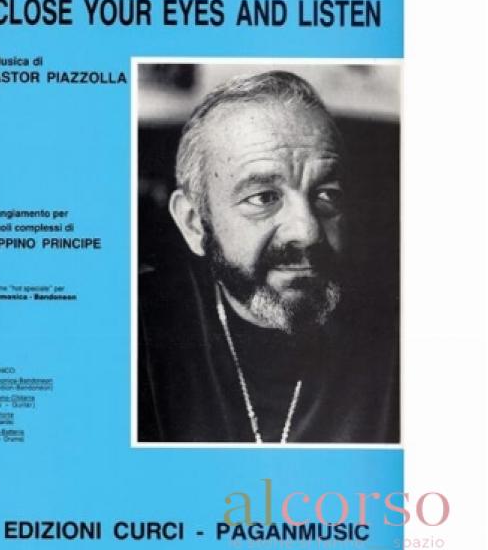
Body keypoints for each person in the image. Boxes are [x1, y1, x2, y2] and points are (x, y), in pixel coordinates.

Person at [138, 70, 399, 443]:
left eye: (326, 194)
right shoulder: (133, 333)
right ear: (194, 223)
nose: (307, 232)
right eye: (264, 198)